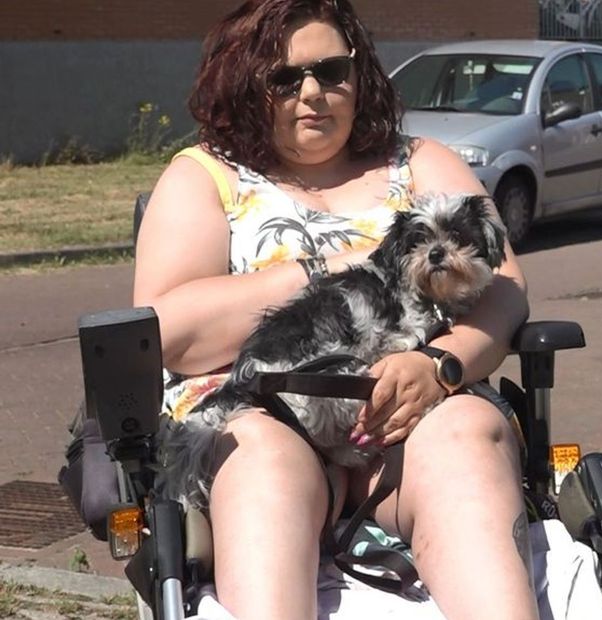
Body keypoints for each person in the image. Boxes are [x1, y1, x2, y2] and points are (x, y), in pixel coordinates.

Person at [132, 1, 534, 618]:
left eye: (332, 71)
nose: (313, 93)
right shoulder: (206, 176)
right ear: (246, 85)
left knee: (466, 439)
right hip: (265, 410)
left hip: (416, 415)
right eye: (285, 78)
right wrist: (322, 268)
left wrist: (441, 365)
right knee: (262, 462)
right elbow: (169, 333)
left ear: (360, 74)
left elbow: (505, 286)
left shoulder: (419, 161)